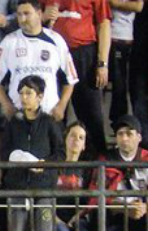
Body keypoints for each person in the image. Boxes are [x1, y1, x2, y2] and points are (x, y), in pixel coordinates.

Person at [0, 75, 64, 231]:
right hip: (18, 186)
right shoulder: (13, 124)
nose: (25, 98)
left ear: (40, 97)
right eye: (22, 93)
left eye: (29, 93)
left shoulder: (49, 123)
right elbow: (4, 152)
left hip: (44, 189)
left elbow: (60, 154)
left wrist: (44, 166)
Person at [0, 0, 76, 131]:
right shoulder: (8, 42)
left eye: (26, 14)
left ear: (39, 14)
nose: (22, 19)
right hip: (19, 116)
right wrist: (7, 106)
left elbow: (70, 80)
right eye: (19, 15)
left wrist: (61, 106)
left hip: (49, 114)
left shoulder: (56, 41)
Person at [43, 0, 111, 153]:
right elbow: (31, 16)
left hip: (84, 54)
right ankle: (56, 167)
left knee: (92, 116)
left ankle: (98, 169)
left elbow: (104, 24)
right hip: (53, 55)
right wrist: (42, 16)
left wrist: (102, 63)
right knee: (55, 115)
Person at [55, 121, 93, 231]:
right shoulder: (54, 166)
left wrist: (78, 215)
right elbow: (45, 196)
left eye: (81, 138)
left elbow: (89, 199)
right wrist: (56, 218)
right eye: (72, 136)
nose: (76, 140)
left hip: (77, 216)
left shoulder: (86, 169)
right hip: (53, 217)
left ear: (84, 145)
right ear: (65, 139)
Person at [108, 0, 143, 122]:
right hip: (101, 36)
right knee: (98, 82)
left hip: (122, 38)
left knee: (120, 83)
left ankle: (119, 121)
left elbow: (138, 6)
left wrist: (115, 3)